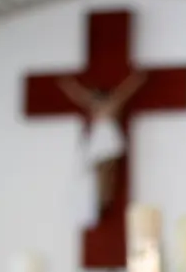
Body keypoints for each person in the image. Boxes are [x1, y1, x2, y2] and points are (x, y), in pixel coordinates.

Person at [57, 70, 146, 224]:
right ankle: (100, 200)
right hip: (98, 142)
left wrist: (136, 80)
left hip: (109, 141)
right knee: (98, 175)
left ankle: (106, 199)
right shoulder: (94, 106)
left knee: (108, 173)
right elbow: (79, 95)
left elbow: (125, 91)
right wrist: (68, 85)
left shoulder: (112, 104)